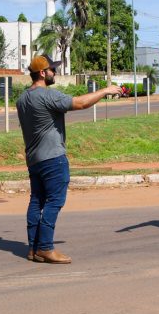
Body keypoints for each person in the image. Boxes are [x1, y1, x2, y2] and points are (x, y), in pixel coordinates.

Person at [16, 55, 123, 263]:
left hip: (34, 159)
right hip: (53, 158)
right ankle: (45, 247)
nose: (54, 73)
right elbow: (81, 103)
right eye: (52, 70)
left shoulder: (21, 100)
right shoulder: (47, 95)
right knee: (55, 201)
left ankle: (33, 248)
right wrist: (105, 90)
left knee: (36, 200)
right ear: (42, 73)